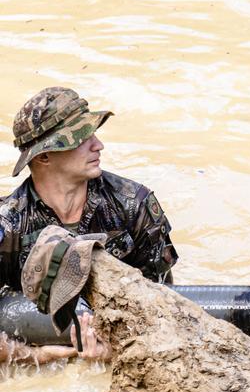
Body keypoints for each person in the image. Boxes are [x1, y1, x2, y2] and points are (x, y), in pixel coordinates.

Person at [1, 87, 178, 364]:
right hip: (39, 348)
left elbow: (167, 311)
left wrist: (117, 353)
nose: (98, 145)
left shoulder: (133, 206)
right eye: (82, 138)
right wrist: (36, 355)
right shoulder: (8, 225)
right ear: (44, 156)